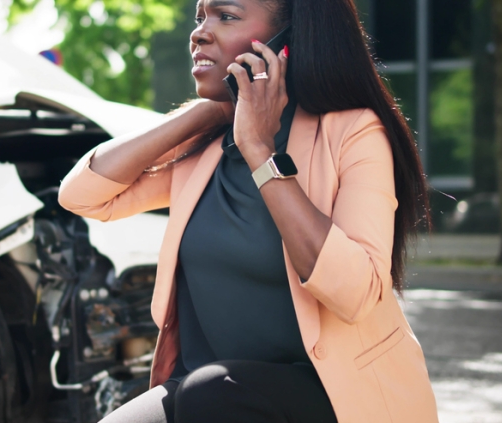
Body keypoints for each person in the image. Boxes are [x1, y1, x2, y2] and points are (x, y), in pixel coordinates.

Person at [57, 0, 439, 421]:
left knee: (212, 393)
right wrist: (207, 112)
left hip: (331, 392)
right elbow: (82, 195)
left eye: (226, 16)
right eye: (200, 16)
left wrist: (260, 152)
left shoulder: (353, 131)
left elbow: (357, 294)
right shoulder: (207, 146)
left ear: (286, 41)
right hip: (205, 390)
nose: (199, 32)